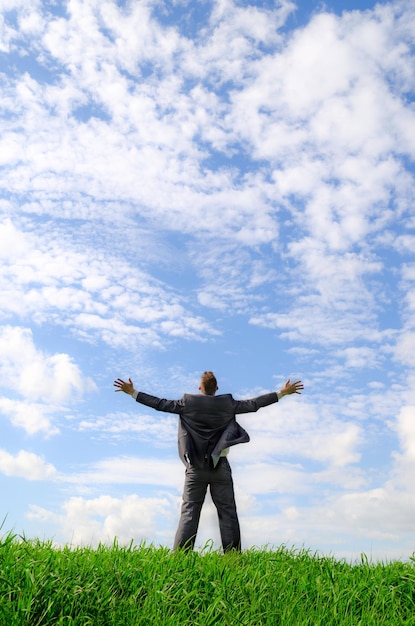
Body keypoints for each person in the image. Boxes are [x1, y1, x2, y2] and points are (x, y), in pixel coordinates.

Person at [113, 371, 303, 552]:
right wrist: (282, 393)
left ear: (200, 388)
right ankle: (232, 558)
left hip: (195, 467)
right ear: (216, 388)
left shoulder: (187, 403)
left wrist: (133, 393)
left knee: (190, 513)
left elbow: (159, 403)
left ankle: (181, 558)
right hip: (220, 467)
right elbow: (253, 404)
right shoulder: (227, 404)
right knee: (227, 512)